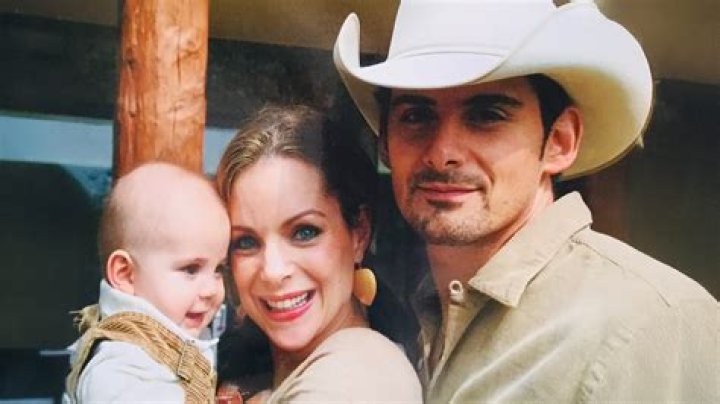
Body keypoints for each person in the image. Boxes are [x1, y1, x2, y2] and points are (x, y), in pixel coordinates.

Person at [333, 0, 720, 402]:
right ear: (384, 142)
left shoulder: (647, 325)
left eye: (487, 115)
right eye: (416, 116)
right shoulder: (418, 321)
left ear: (560, 142)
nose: (442, 152)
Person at [215, 105, 422, 402]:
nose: (273, 271)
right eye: (246, 242)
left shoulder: (358, 379)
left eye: (304, 232)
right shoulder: (250, 373)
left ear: (360, 232)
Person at [64, 162, 230, 403]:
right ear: (125, 274)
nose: (212, 290)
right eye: (190, 269)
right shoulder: (120, 365)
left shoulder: (176, 334)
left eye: (219, 269)